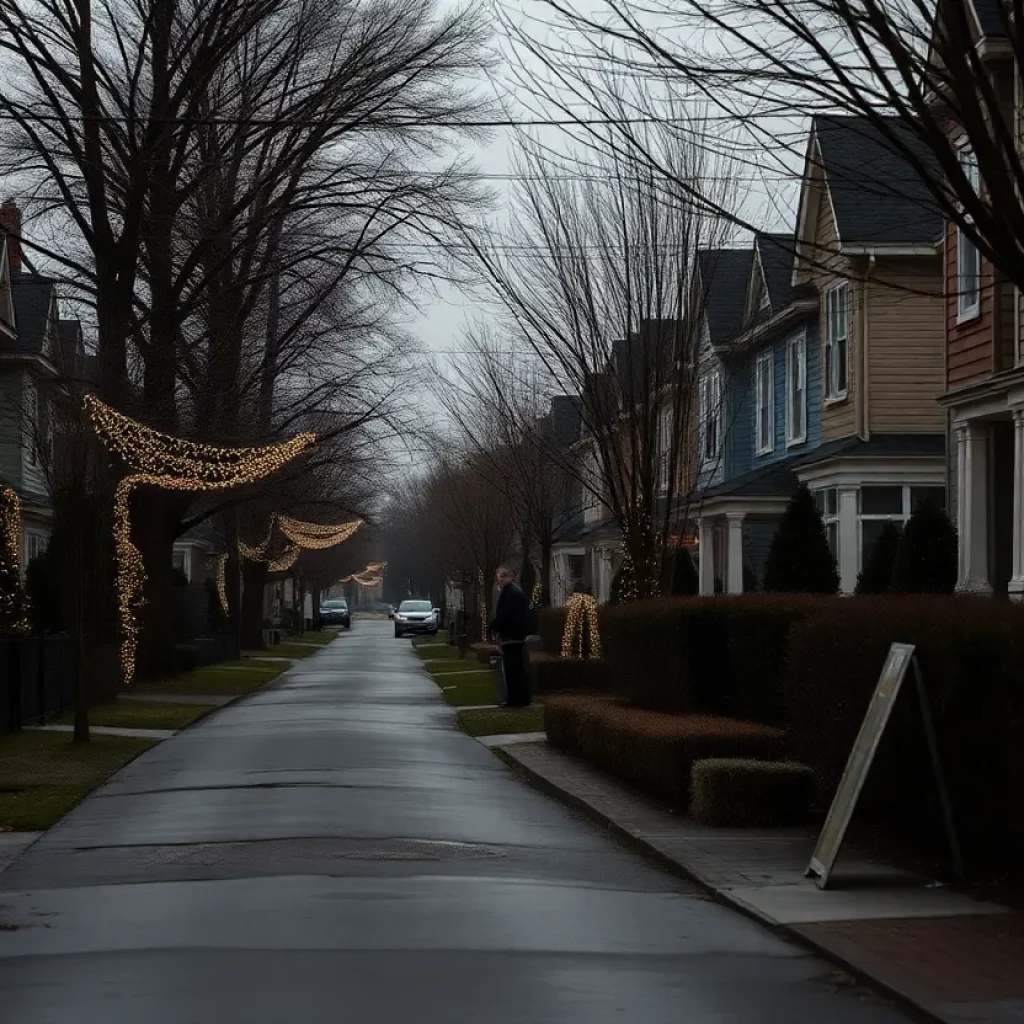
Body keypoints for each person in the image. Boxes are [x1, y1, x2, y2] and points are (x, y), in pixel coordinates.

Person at [489, 565, 531, 708]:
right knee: (518, 669)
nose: (498, 582)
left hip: (512, 636)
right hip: (515, 635)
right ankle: (522, 698)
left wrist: (493, 626)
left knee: (512, 670)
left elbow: (504, 615)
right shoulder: (514, 592)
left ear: (508, 577)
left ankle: (515, 699)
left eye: (500, 578)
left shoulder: (510, 593)